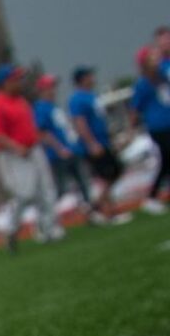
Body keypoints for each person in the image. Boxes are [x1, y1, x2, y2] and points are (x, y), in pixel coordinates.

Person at [0, 64, 63, 251]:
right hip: (13, 155)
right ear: (5, 82)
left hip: (33, 149)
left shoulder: (21, 101)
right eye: (15, 79)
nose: (19, 82)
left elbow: (30, 127)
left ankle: (50, 228)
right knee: (24, 193)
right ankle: (11, 229)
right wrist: (16, 147)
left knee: (46, 189)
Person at [68, 66, 125, 223]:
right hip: (94, 144)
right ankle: (103, 209)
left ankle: (101, 207)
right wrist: (91, 143)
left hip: (103, 140)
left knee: (114, 172)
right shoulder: (77, 99)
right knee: (107, 175)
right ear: (82, 79)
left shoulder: (92, 95)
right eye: (89, 76)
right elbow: (80, 122)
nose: (92, 78)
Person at [32, 74, 94, 214]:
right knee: (61, 188)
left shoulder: (54, 106)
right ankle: (46, 216)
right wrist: (59, 149)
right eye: (49, 87)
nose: (53, 90)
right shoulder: (41, 108)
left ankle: (89, 209)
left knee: (83, 182)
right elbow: (42, 132)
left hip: (72, 149)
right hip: (58, 154)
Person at [130, 46, 170, 214]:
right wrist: (132, 130)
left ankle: (153, 196)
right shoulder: (143, 84)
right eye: (152, 58)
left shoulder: (162, 78)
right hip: (158, 128)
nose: (156, 61)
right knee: (167, 159)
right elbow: (134, 109)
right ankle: (152, 196)